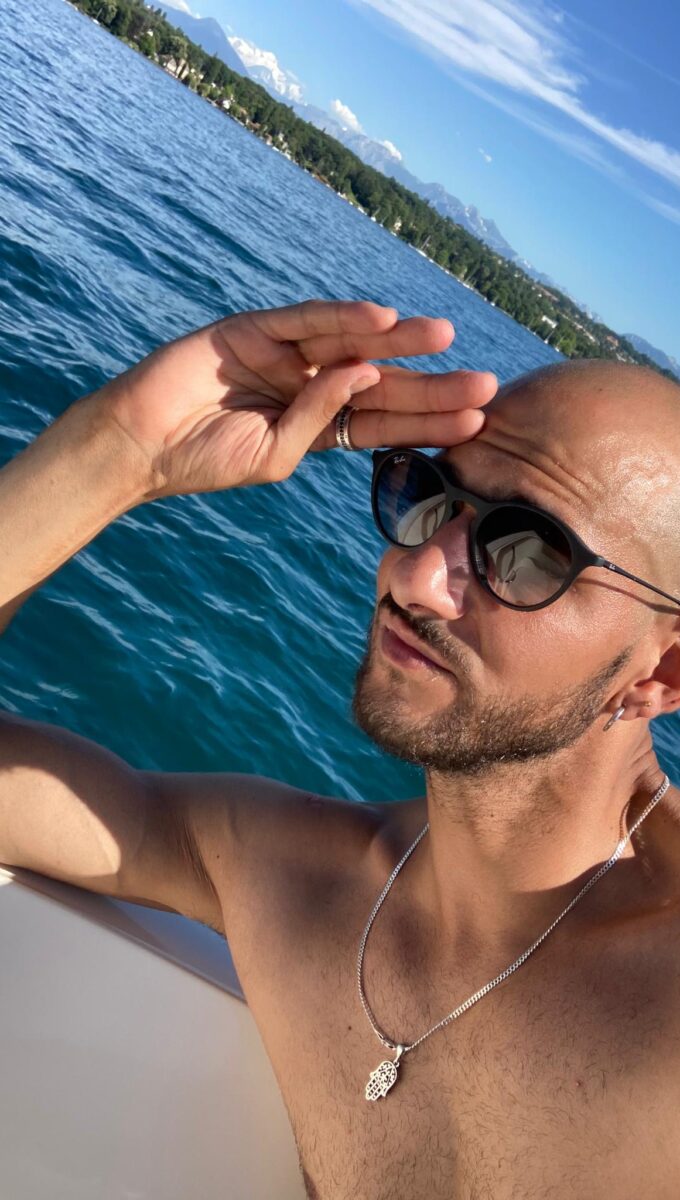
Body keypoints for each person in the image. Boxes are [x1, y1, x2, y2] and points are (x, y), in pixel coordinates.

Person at [1, 297, 680, 1198]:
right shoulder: (293, 883)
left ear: (662, 672)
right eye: (427, 498)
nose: (416, 575)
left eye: (527, 554)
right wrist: (122, 449)